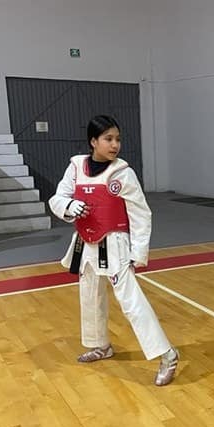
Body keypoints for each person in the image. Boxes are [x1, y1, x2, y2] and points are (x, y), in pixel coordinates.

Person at [49, 115, 179, 386]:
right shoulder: (76, 167)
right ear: (93, 141)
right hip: (85, 243)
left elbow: (141, 214)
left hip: (115, 245)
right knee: (89, 295)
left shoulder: (123, 173)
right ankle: (100, 345)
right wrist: (68, 206)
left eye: (117, 139)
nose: (115, 144)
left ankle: (167, 355)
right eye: (108, 139)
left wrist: (138, 251)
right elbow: (58, 197)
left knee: (132, 303)